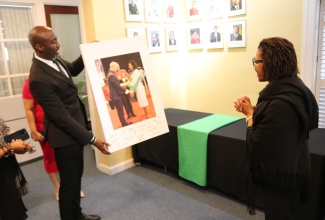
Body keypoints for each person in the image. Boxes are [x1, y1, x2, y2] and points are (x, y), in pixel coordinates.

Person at [28, 26, 110, 220]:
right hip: (64, 137)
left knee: (76, 178)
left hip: (75, 129)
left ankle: (77, 215)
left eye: (56, 39)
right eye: (53, 41)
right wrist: (92, 139)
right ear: (40, 46)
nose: (58, 44)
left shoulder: (52, 58)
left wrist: (87, 52)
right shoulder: (38, 78)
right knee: (69, 184)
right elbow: (60, 117)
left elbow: (71, 69)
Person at [234, 37, 319, 219]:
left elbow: (257, 140)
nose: (254, 65)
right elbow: (275, 124)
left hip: (280, 175)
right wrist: (253, 110)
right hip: (289, 166)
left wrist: (250, 114)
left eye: (256, 61)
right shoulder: (292, 88)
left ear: (271, 63)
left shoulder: (281, 102)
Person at [22, 78, 86, 201]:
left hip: (66, 125)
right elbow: (29, 108)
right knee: (50, 158)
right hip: (44, 128)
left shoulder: (59, 78)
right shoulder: (31, 82)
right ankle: (58, 187)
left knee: (70, 158)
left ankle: (73, 187)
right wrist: (34, 130)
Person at [0, 117, 34, 220]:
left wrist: (18, 142)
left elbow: (4, 132)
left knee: (13, 209)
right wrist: (10, 148)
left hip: (7, 167)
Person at [107, 61, 133, 127]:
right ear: (112, 67)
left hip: (116, 95)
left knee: (120, 110)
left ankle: (124, 122)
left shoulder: (110, 73)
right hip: (116, 96)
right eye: (116, 67)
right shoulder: (111, 75)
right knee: (120, 111)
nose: (117, 69)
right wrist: (127, 91)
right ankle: (124, 123)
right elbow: (117, 86)